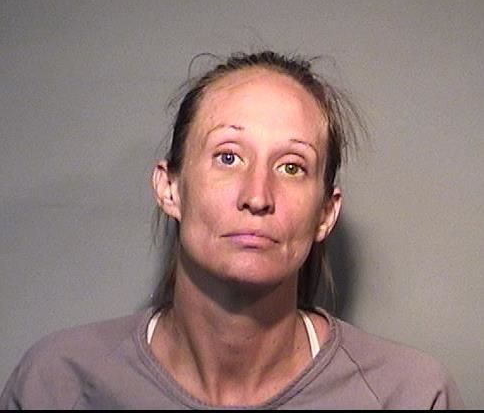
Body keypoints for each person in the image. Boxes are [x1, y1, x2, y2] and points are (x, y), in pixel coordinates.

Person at [0, 50, 464, 409]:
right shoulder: (57, 383)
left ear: (326, 212)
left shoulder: (409, 395)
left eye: (291, 166)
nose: (257, 196)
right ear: (169, 187)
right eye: (228, 157)